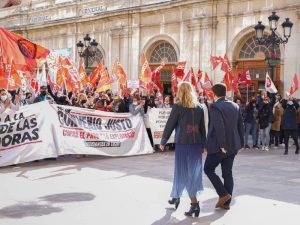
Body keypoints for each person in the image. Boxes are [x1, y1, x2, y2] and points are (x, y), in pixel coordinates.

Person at [160, 82, 206, 217]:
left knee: (183, 172)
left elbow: (170, 125)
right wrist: (203, 145)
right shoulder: (199, 107)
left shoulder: (178, 107)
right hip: (196, 144)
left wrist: (163, 141)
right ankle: (176, 195)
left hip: (183, 144)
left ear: (180, 92)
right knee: (192, 173)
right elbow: (203, 127)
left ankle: (194, 204)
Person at [204, 83, 244, 210]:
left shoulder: (215, 106)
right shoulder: (234, 105)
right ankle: (226, 203)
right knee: (227, 173)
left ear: (213, 94)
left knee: (208, 169)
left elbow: (219, 126)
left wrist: (222, 145)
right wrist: (241, 144)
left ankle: (223, 194)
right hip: (233, 146)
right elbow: (240, 126)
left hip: (218, 146)